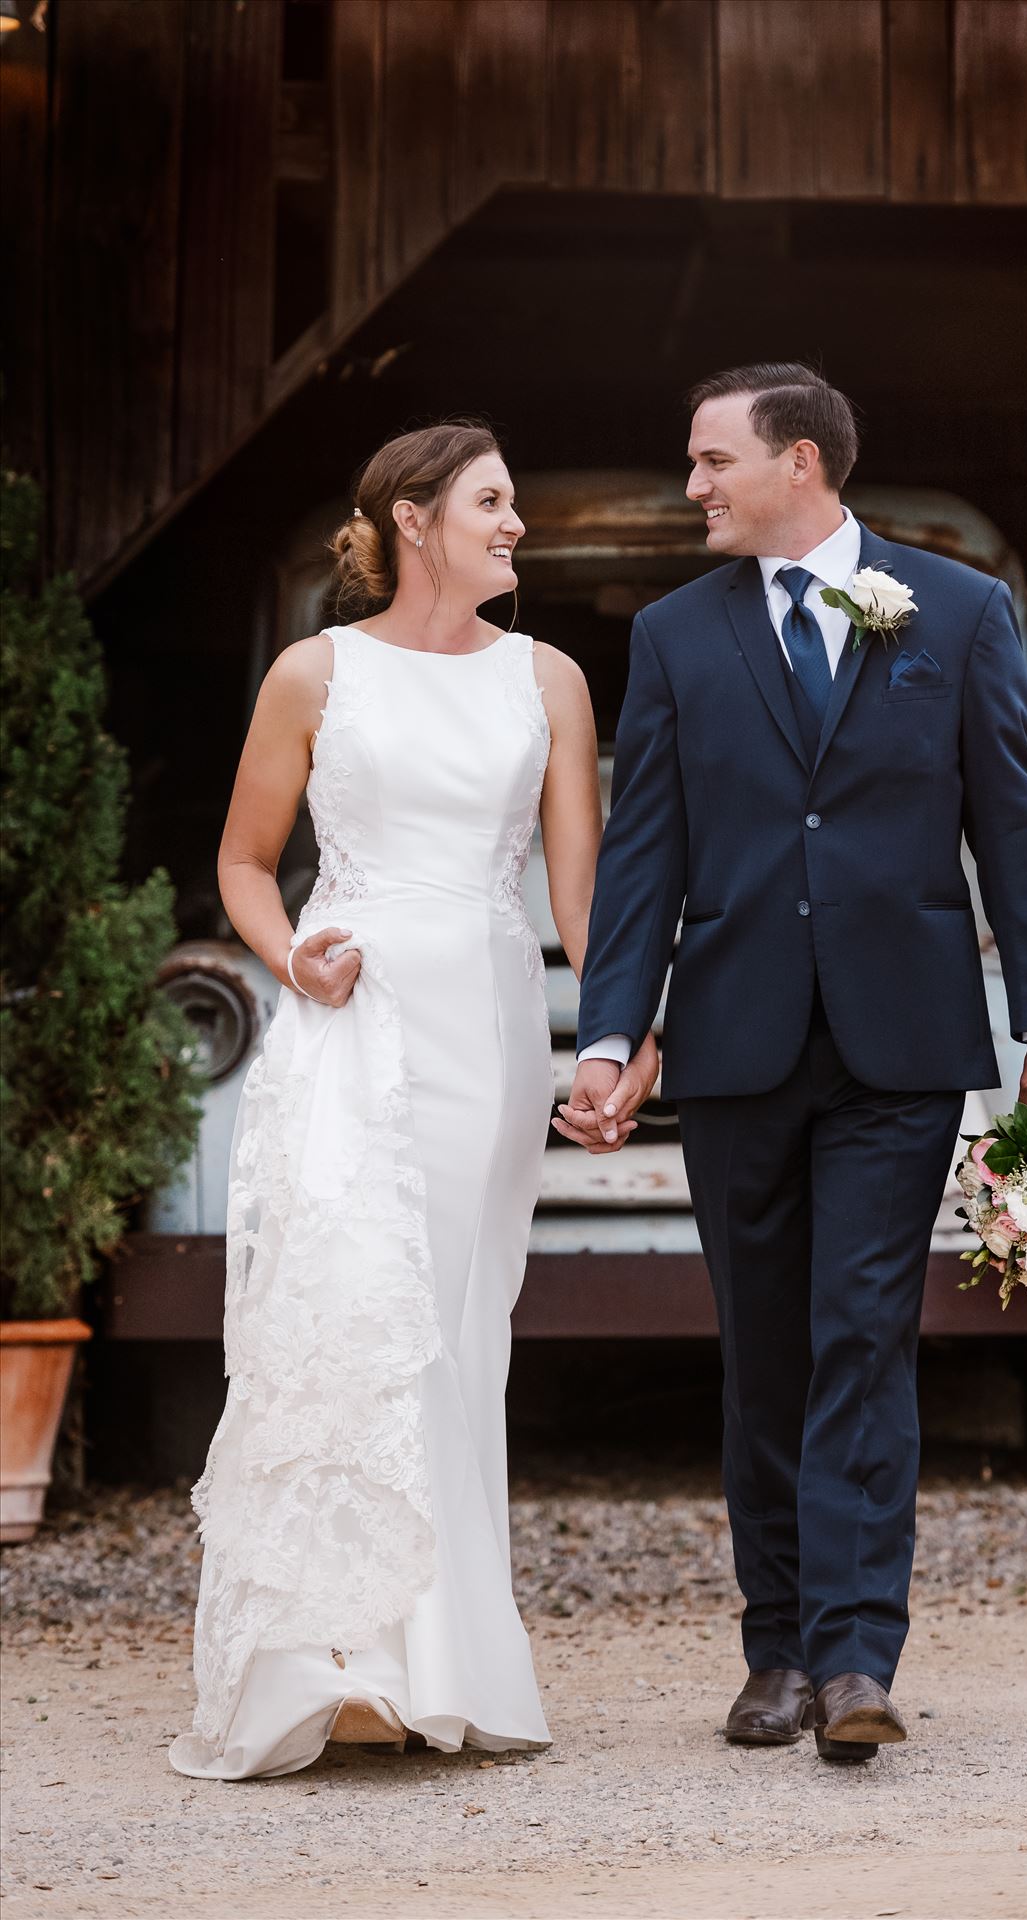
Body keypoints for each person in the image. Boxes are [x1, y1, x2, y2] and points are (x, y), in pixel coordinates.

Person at [557, 364, 1027, 1763]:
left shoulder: (962, 613)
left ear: (800, 463)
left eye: (711, 461)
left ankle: (858, 1660)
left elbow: (1018, 829)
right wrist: (611, 1032)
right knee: (765, 1351)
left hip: (899, 1043)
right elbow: (644, 856)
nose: (694, 488)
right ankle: (775, 1649)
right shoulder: (676, 636)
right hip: (736, 1044)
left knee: (863, 1333)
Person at [170, 421, 655, 1779]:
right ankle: (334, 1663)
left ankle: (443, 1659)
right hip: (354, 1016)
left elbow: (578, 892)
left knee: (452, 1326)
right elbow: (246, 862)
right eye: (494, 503)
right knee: (342, 1312)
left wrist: (618, 1031)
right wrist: (288, 957)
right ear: (414, 520)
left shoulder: (548, 681)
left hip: (489, 1027)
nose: (517, 525)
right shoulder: (312, 674)